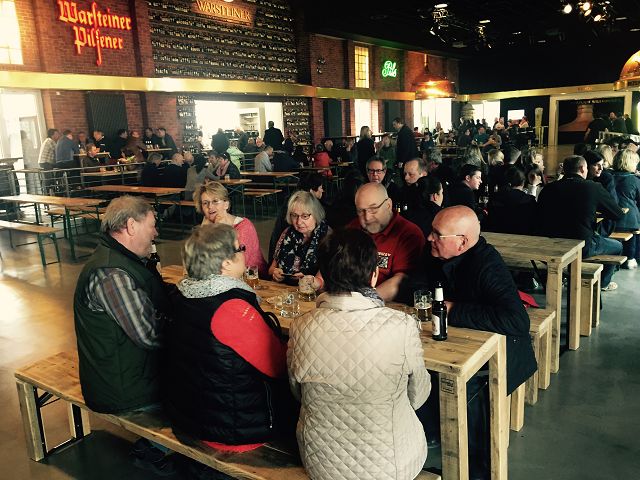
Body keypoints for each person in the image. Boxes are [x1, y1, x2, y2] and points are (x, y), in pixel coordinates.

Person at [287, 228, 430, 480]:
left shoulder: (300, 326)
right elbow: (418, 396)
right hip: (391, 465)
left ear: (324, 277)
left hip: (321, 462)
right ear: (374, 276)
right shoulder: (402, 325)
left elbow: (297, 392)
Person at [165, 223, 292, 478]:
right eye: (240, 248)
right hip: (233, 429)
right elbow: (279, 366)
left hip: (190, 413)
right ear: (225, 263)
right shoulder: (231, 308)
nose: (245, 252)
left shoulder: (181, 294)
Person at [421, 205, 537, 479]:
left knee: (469, 388)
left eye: (437, 234)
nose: (429, 238)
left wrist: (453, 310)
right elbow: (419, 285)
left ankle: (477, 469)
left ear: (462, 242)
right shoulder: (436, 253)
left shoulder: (487, 265)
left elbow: (517, 321)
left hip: (502, 356)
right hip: (456, 343)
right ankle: (430, 432)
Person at [537, 155, 623, 291]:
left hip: (552, 244)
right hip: (582, 245)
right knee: (617, 246)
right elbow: (617, 214)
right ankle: (604, 283)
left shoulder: (549, 188)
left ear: (564, 169)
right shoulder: (592, 187)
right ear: (583, 168)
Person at [348, 183, 425, 302]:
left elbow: (401, 280)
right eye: (361, 211)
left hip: (384, 304)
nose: (367, 217)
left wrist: (364, 302)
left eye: (373, 209)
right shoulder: (353, 227)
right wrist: (319, 281)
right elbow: (334, 261)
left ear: (388, 205)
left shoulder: (409, 233)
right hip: (350, 298)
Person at [194, 182, 267, 278]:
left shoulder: (244, 226)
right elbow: (196, 262)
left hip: (255, 280)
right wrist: (203, 231)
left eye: (215, 201)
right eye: (205, 203)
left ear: (226, 204)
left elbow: (236, 267)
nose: (210, 206)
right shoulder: (207, 227)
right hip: (221, 280)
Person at [270, 191, 330, 283]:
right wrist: (274, 272)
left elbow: (329, 276)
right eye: (294, 216)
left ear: (316, 214)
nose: (299, 222)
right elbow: (271, 269)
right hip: (284, 287)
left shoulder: (327, 236)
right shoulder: (287, 233)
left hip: (312, 290)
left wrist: (311, 280)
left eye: (305, 216)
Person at [268, 172, 325, 263]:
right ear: (311, 191)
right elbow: (274, 263)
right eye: (321, 187)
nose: (298, 222)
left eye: (304, 216)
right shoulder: (289, 230)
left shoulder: (324, 234)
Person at [484, 167, 536, 235]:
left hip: (498, 233)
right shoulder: (529, 200)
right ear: (523, 183)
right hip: (523, 235)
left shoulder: (494, 198)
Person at [611, 149, 640, 269]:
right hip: (629, 221)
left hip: (609, 219)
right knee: (634, 220)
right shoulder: (634, 180)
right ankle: (631, 257)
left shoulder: (608, 176)